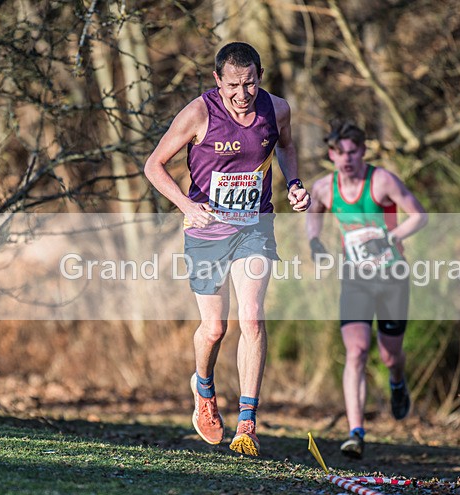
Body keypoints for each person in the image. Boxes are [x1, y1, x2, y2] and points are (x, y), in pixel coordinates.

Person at [144, 42, 310, 456]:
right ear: (217, 81)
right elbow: (153, 165)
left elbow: (286, 146)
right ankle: (203, 388)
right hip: (207, 232)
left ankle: (248, 421)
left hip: (255, 226)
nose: (242, 94)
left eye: (250, 83)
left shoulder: (277, 109)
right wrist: (186, 205)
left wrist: (293, 183)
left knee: (252, 319)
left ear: (260, 76)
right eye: (233, 85)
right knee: (215, 329)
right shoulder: (199, 113)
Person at [306, 120, 427, 459]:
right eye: (340, 152)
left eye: (353, 151)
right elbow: (313, 213)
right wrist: (315, 241)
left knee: (389, 354)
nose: (346, 158)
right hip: (355, 279)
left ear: (363, 151)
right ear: (331, 154)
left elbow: (419, 215)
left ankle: (397, 381)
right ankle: (355, 432)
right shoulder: (325, 188)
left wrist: (393, 237)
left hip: (392, 278)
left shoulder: (382, 180)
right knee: (356, 351)